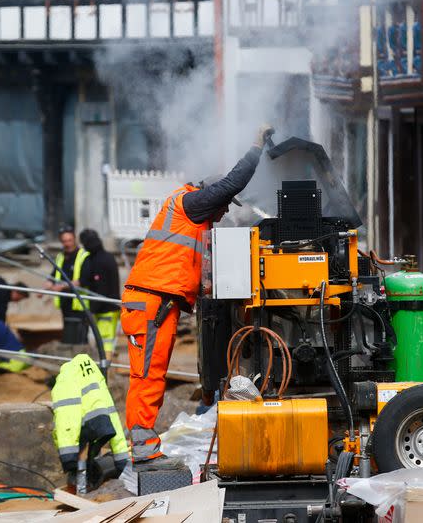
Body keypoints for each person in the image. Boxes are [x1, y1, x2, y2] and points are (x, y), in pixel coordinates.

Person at [121, 124, 274, 466]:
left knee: (149, 374)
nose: (224, 213)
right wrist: (256, 145)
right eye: (223, 206)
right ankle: (143, 449)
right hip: (150, 303)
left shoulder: (188, 213)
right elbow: (233, 183)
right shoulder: (191, 202)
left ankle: (144, 446)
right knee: (148, 376)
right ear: (211, 196)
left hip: (154, 303)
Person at [52, 353, 128, 493]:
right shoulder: (95, 376)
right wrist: (121, 460)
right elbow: (112, 415)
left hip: (79, 426)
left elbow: (66, 418)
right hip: (100, 421)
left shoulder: (64, 380)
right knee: (87, 452)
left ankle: (81, 488)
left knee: (80, 455)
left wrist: (68, 457)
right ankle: (83, 484)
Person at [78, 229, 121, 360]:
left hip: (107, 309)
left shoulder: (100, 261)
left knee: (106, 341)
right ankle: (105, 363)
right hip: (105, 307)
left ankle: (106, 367)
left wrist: (91, 311)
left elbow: (101, 289)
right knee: (101, 341)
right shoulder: (104, 257)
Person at [46, 227, 90, 344]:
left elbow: (84, 280)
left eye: (70, 240)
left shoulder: (83, 255)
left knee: (80, 335)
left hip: (79, 303)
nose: (67, 244)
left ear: (74, 239)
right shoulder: (61, 256)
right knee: (68, 333)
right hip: (65, 302)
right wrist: (47, 285)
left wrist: (62, 286)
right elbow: (53, 274)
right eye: (64, 241)